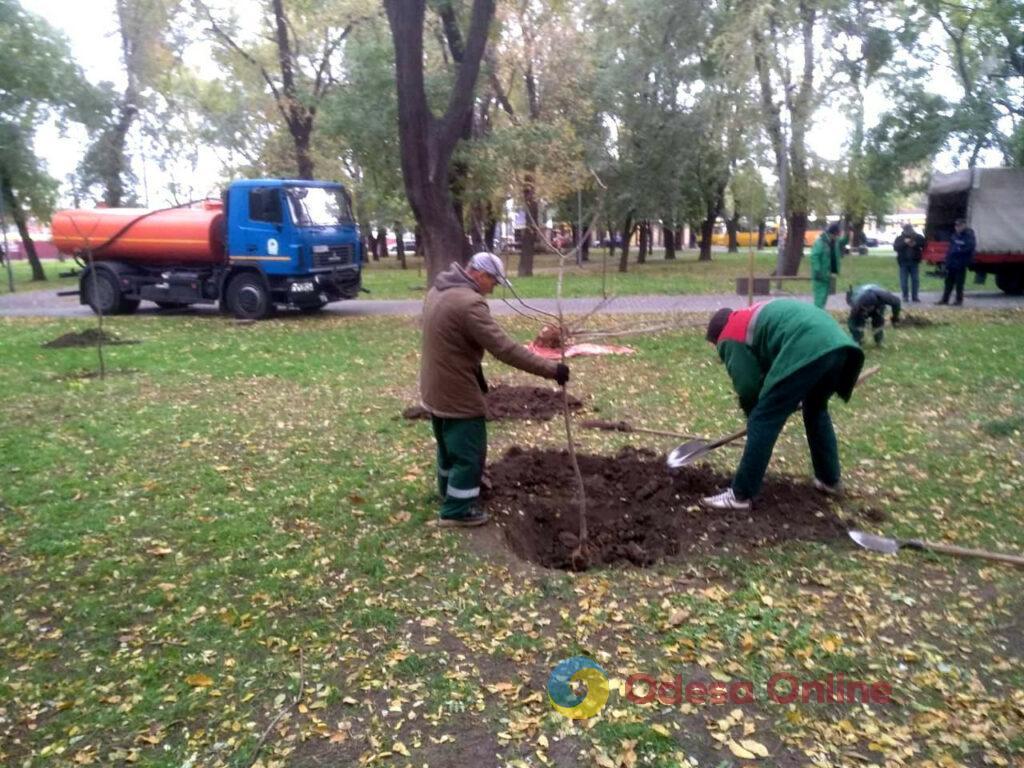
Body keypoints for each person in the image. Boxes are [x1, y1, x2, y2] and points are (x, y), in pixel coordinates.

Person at [420, 252, 569, 527]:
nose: (494, 288)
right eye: (494, 281)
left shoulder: (439, 289)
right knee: (469, 451)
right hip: (456, 390)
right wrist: (552, 369)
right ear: (480, 274)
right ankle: (458, 511)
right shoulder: (469, 304)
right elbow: (504, 349)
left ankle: (448, 492)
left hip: (434, 386)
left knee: (448, 445)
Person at [700, 299, 865, 511]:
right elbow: (770, 364)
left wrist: (755, 417)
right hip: (838, 344)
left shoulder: (731, 332)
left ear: (718, 337)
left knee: (763, 419)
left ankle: (740, 495)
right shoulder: (753, 318)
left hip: (806, 345)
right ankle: (829, 480)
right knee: (815, 409)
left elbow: (748, 386)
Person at [939, 218, 975, 306]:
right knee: (948, 282)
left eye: (959, 226)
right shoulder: (954, 235)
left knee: (959, 283)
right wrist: (947, 260)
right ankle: (945, 299)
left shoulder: (968, 236)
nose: (957, 227)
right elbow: (950, 249)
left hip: (961, 263)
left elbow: (969, 248)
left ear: (964, 225)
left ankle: (959, 300)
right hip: (952, 262)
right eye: (956, 226)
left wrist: (958, 251)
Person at [810, 223, 842, 309]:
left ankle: (820, 314)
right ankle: (817, 317)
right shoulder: (821, 242)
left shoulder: (832, 242)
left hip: (827, 275)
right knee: (820, 298)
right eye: (837, 235)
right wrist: (817, 270)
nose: (837, 237)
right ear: (832, 234)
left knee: (823, 298)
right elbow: (814, 256)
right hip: (820, 275)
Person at [893, 223, 925, 302]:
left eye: (910, 230)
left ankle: (915, 296)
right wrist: (905, 243)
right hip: (903, 262)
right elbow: (896, 247)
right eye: (907, 230)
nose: (909, 232)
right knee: (904, 280)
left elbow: (923, 243)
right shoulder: (900, 238)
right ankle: (905, 296)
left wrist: (915, 244)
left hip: (914, 261)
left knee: (915, 280)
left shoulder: (917, 237)